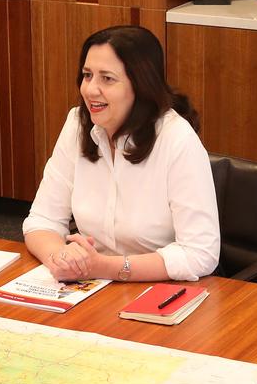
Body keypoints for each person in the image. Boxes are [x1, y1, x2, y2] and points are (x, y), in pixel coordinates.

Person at [23, 25, 220, 283]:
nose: (91, 89)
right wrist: (62, 258)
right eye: (87, 75)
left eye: (107, 78)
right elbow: (42, 220)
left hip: (161, 291)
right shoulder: (77, 124)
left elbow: (200, 253)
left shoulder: (177, 139)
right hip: (94, 286)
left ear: (140, 85)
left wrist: (104, 267)